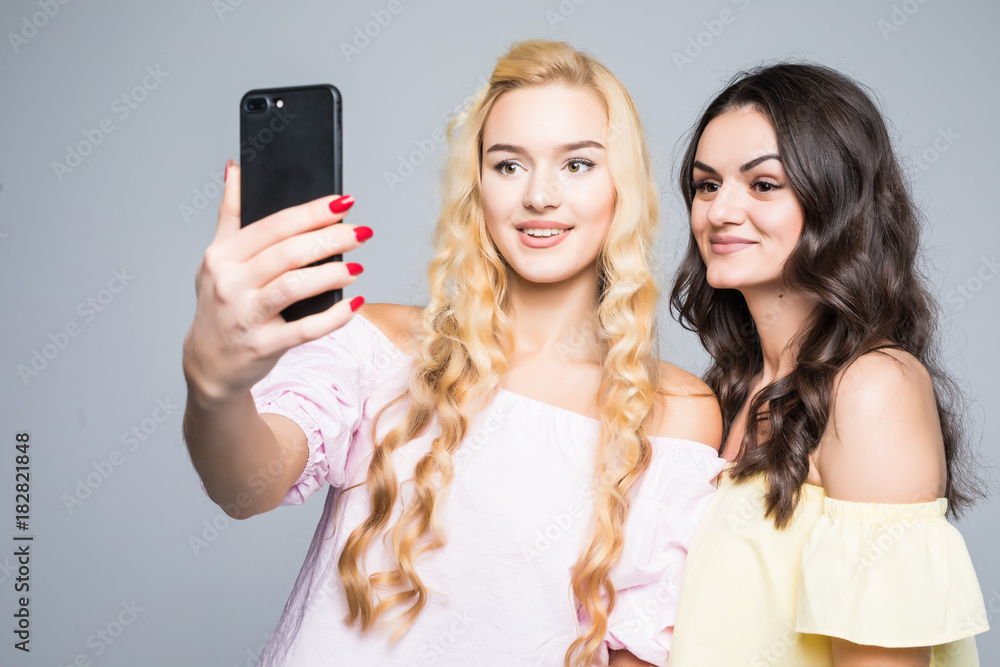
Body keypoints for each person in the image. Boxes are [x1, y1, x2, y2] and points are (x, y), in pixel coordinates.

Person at [182, 40, 723, 667]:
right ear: (479, 186)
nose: (539, 197)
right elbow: (247, 487)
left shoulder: (674, 413)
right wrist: (213, 384)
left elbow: (636, 649)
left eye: (577, 165)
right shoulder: (381, 344)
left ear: (620, 187)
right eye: (508, 165)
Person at [666, 62, 989, 666]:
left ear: (837, 203)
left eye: (763, 185)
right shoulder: (724, 396)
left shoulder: (873, 389)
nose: (719, 212)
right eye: (706, 186)